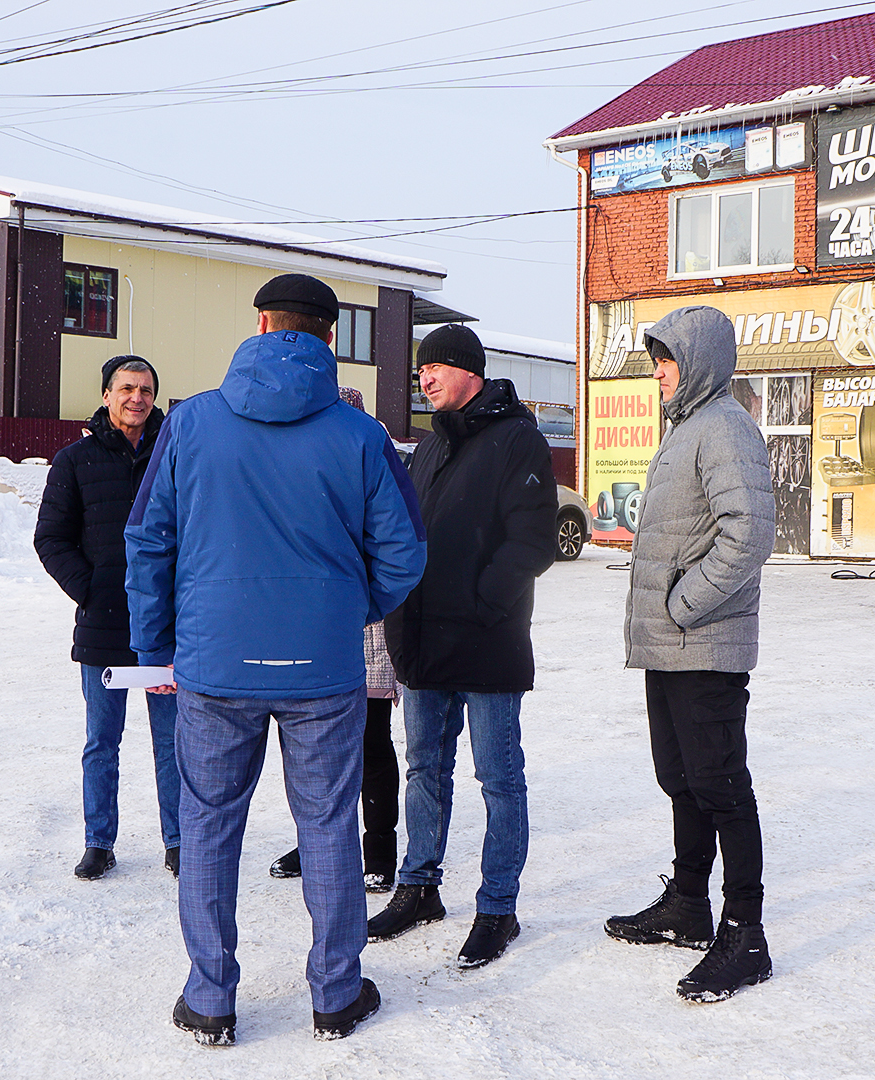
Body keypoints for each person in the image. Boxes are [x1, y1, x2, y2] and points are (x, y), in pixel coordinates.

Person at [126, 273, 426, 1045]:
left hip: (214, 661)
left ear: (260, 324)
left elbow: (148, 539)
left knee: (208, 825)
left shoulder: (190, 423)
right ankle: (335, 993)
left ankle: (210, 999)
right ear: (330, 336)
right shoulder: (362, 435)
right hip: (321, 669)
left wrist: (159, 643)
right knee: (328, 824)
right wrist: (343, 609)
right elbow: (405, 552)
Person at [371, 322, 557, 969]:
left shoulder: (518, 440)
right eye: (420, 371)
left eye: (434, 369)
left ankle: (498, 907)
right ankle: (418, 887)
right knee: (424, 771)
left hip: (486, 644)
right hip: (422, 641)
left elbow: (532, 540)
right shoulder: (428, 446)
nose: (423, 379)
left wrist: (483, 603)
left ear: (468, 372)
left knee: (499, 779)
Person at [605, 305, 776, 1002]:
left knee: (720, 786)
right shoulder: (688, 428)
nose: (658, 372)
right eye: (654, 360)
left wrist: (682, 603)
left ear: (700, 359)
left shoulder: (725, 429)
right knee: (679, 777)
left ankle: (746, 933)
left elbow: (750, 534)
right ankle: (687, 904)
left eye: (666, 359)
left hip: (703, 644)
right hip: (670, 647)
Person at [34, 355, 178, 882]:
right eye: (126, 388)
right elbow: (50, 538)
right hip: (104, 627)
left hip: (167, 629)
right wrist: (91, 590)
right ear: (105, 395)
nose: (136, 398)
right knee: (102, 742)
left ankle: (178, 840)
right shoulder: (75, 460)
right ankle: (99, 841)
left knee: (173, 742)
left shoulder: (175, 456)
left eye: (145, 389)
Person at [268, 387, 403, 894]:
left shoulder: (375, 474)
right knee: (311, 752)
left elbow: (398, 550)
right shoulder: (297, 476)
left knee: (370, 744)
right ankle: (315, 843)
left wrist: (371, 604)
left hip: (366, 632)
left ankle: (380, 850)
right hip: (311, 634)